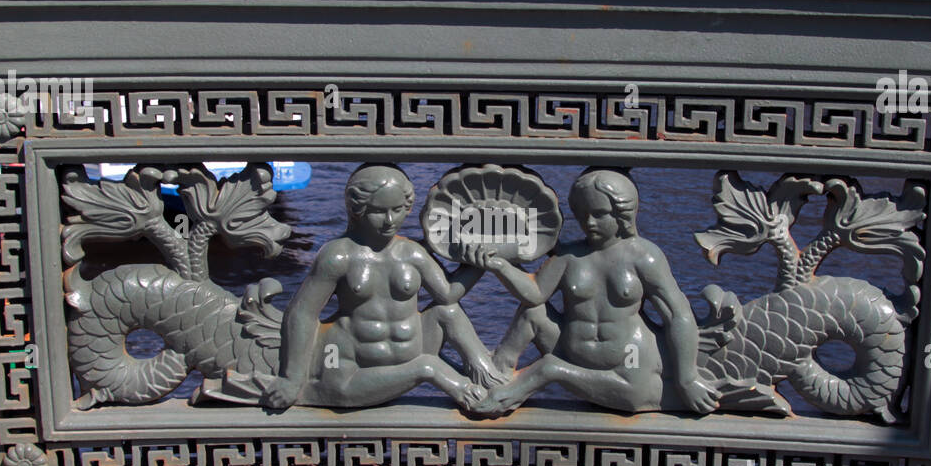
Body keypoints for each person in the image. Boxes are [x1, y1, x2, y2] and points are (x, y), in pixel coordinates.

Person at [473, 168, 717, 416]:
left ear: (624, 213)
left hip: (628, 365)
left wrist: (688, 378)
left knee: (549, 368)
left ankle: (523, 387)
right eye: (583, 214)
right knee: (534, 312)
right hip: (574, 354)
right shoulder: (569, 256)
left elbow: (678, 314)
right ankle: (494, 375)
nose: (589, 223)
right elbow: (534, 293)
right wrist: (501, 266)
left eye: (599, 214)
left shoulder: (643, 256)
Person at [260, 164, 502, 411]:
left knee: (447, 312)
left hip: (409, 354)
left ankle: (492, 378)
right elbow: (302, 313)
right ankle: (461, 388)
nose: (389, 221)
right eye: (378, 211)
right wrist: (292, 378)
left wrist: (478, 264)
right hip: (351, 371)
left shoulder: (412, 253)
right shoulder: (338, 256)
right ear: (357, 210)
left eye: (397, 210)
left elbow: (448, 295)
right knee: (428, 367)